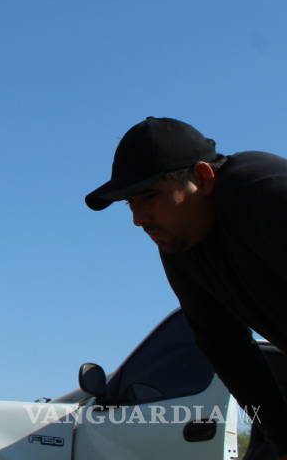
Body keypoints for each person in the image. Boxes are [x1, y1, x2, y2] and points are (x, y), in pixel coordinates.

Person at [85, 117, 287, 458]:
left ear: (203, 178)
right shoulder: (180, 244)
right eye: (130, 203)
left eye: (148, 196)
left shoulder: (265, 194)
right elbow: (224, 344)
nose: (138, 217)